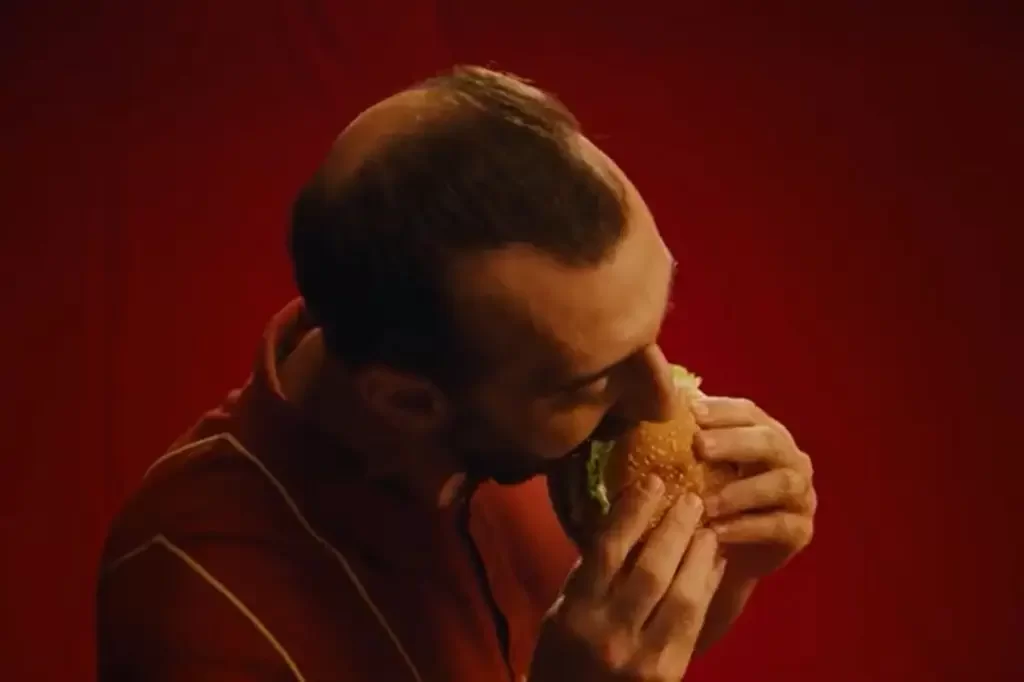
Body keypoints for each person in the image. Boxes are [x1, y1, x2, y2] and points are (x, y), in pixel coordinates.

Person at [97, 65, 817, 682]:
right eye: (588, 382)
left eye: (654, 324)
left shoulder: (519, 409)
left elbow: (619, 653)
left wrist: (727, 568)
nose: (659, 399)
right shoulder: (199, 602)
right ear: (410, 402)